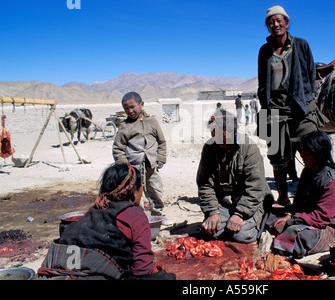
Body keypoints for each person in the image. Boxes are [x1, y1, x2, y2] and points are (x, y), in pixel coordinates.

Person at [38, 163, 175, 280]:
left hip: (51, 272)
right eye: (141, 189)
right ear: (134, 192)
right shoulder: (134, 215)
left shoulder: (94, 210)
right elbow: (141, 272)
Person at [257, 5, 329, 207]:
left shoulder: (301, 45)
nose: (275, 24)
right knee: (276, 154)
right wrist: (265, 105)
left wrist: (307, 99)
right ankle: (283, 197)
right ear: (267, 26)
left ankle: (317, 198)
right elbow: (263, 82)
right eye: (271, 22)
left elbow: (310, 74)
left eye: (279, 20)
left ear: (287, 23)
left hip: (301, 105)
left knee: (313, 149)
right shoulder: (264, 51)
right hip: (274, 107)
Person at [268, 130, 335, 258]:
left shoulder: (333, 182)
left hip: (331, 226)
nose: (302, 155)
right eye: (301, 150)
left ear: (317, 153)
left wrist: (290, 221)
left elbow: (321, 217)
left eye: (305, 151)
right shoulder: (308, 171)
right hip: (305, 217)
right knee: (269, 215)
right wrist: (288, 216)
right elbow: (298, 204)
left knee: (293, 234)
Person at [196, 110, 273, 243]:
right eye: (215, 136)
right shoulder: (209, 147)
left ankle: (259, 221)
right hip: (225, 201)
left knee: (241, 235)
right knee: (211, 231)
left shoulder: (249, 148)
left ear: (233, 133)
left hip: (249, 201)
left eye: (223, 137)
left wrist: (240, 215)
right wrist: (212, 212)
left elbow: (255, 187)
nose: (219, 141)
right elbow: (205, 184)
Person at [112, 92, 169, 223]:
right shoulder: (125, 126)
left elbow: (161, 141)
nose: (130, 111)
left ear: (141, 104)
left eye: (133, 107)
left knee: (155, 189)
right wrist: (124, 165)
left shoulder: (152, 122)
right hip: (133, 166)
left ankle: (158, 214)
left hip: (151, 164)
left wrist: (161, 158)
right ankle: (139, 217)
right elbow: (117, 148)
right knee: (135, 192)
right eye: (126, 109)